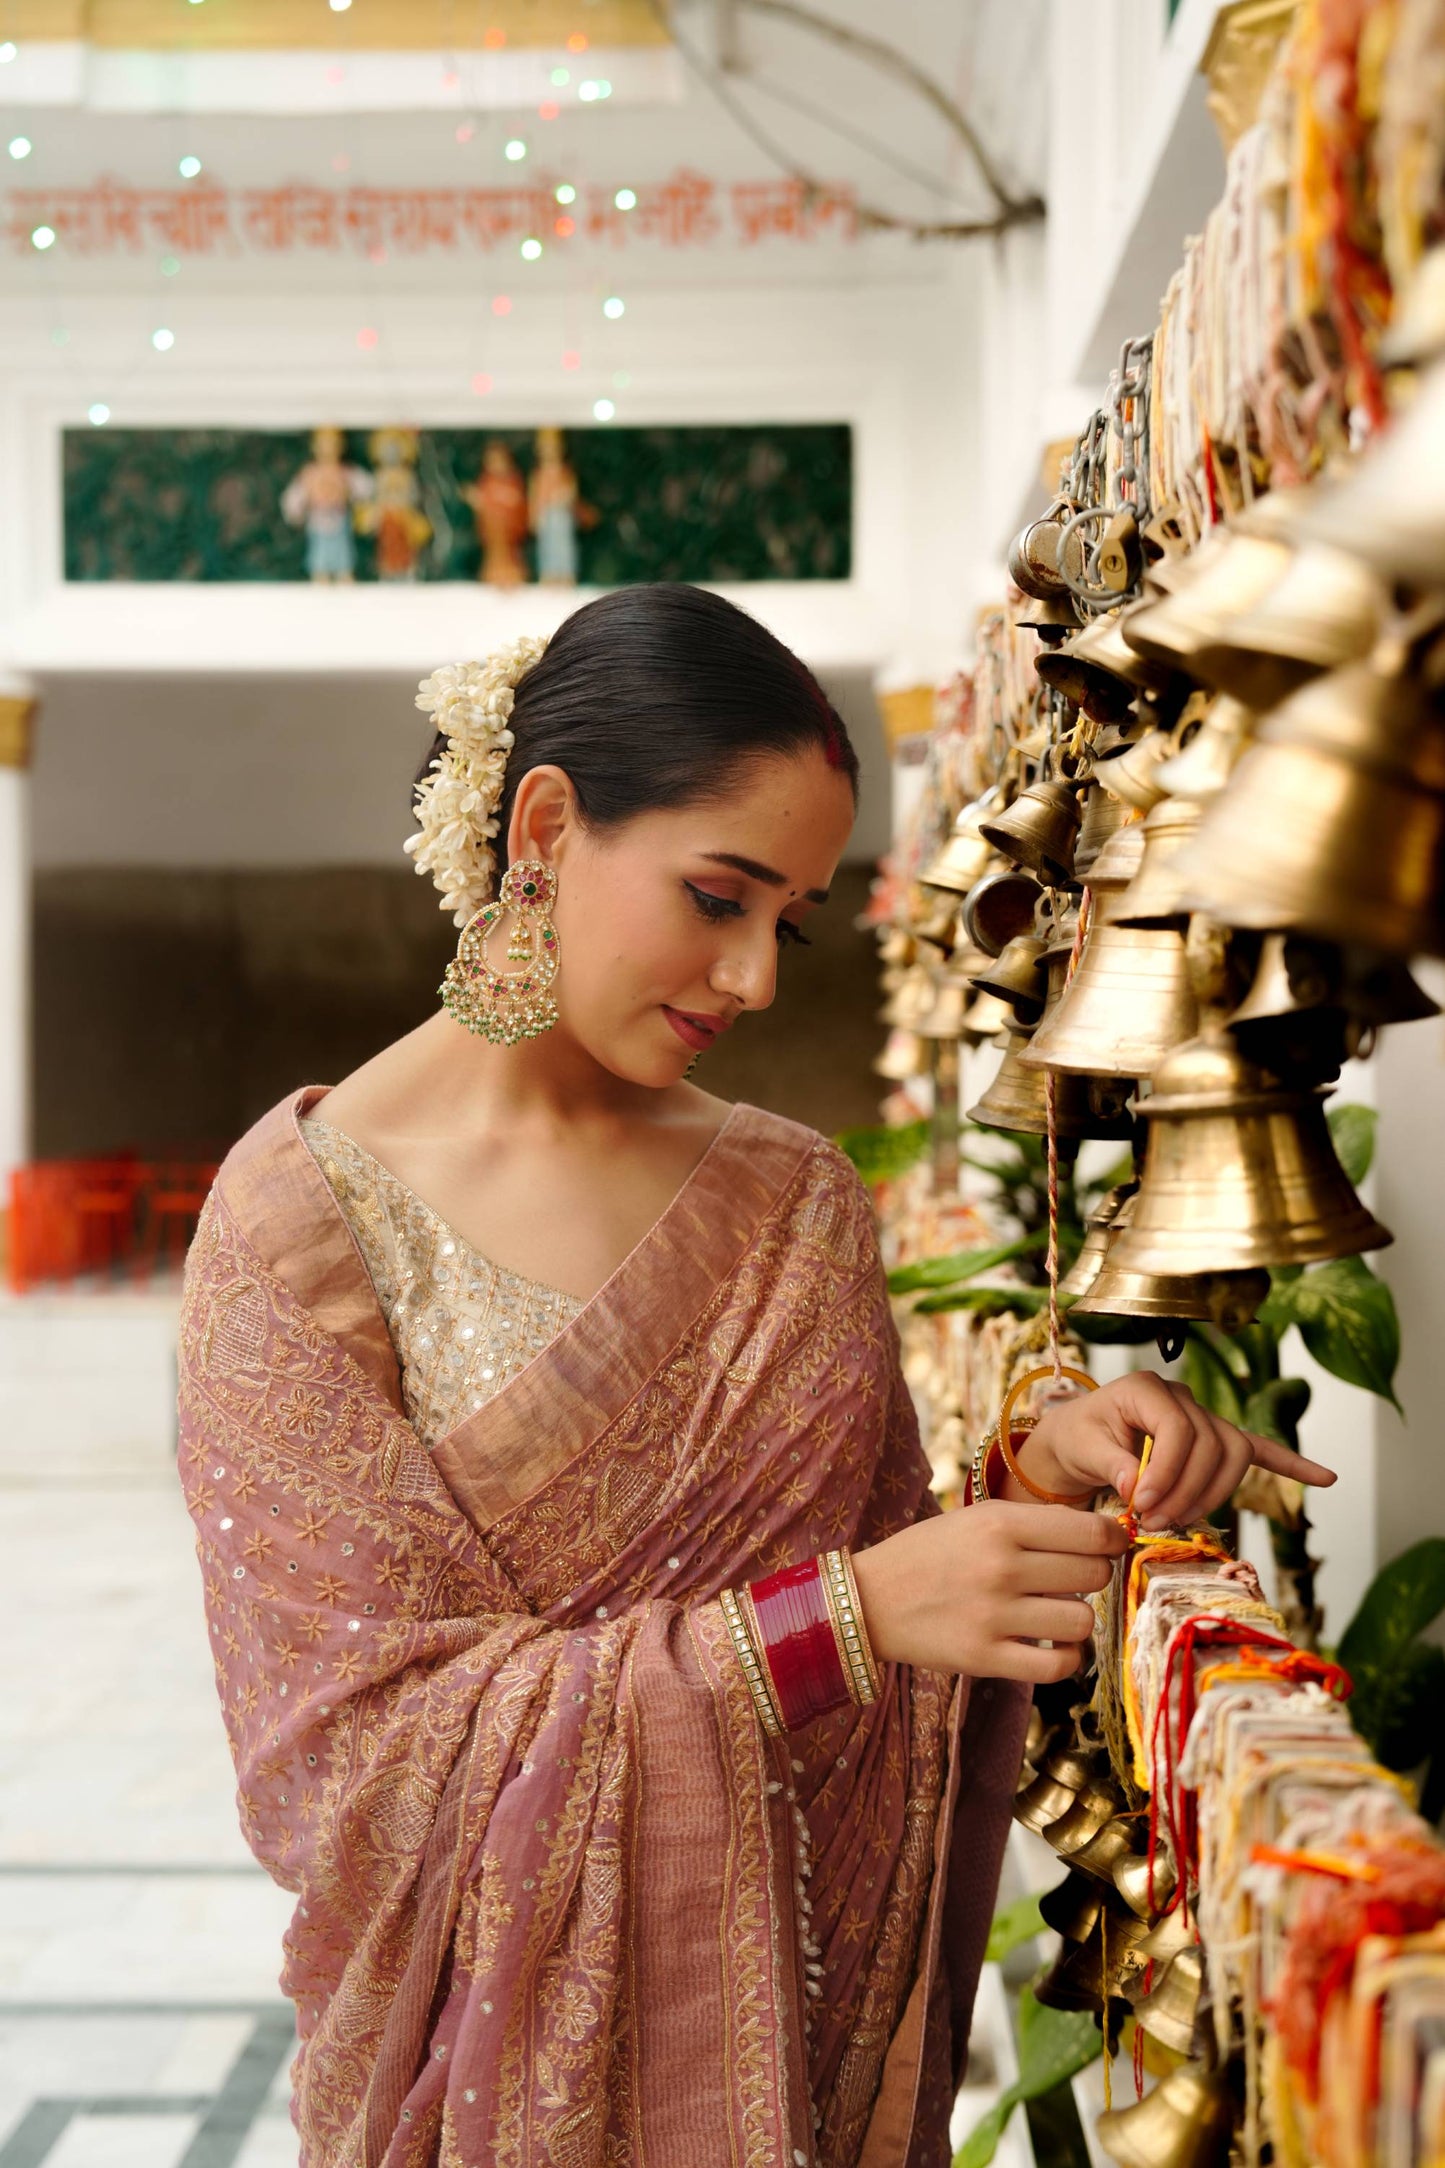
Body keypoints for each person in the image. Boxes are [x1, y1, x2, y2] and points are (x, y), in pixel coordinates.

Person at [175, 585, 1334, 2167]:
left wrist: (1037, 1488)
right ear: (545, 823)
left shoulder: (788, 1201)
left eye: (785, 921)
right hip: (473, 2081)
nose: (754, 978)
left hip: (774, 2048)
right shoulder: (289, 1235)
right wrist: (838, 1622)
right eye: (716, 895)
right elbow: (353, 1778)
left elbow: (884, 1622)